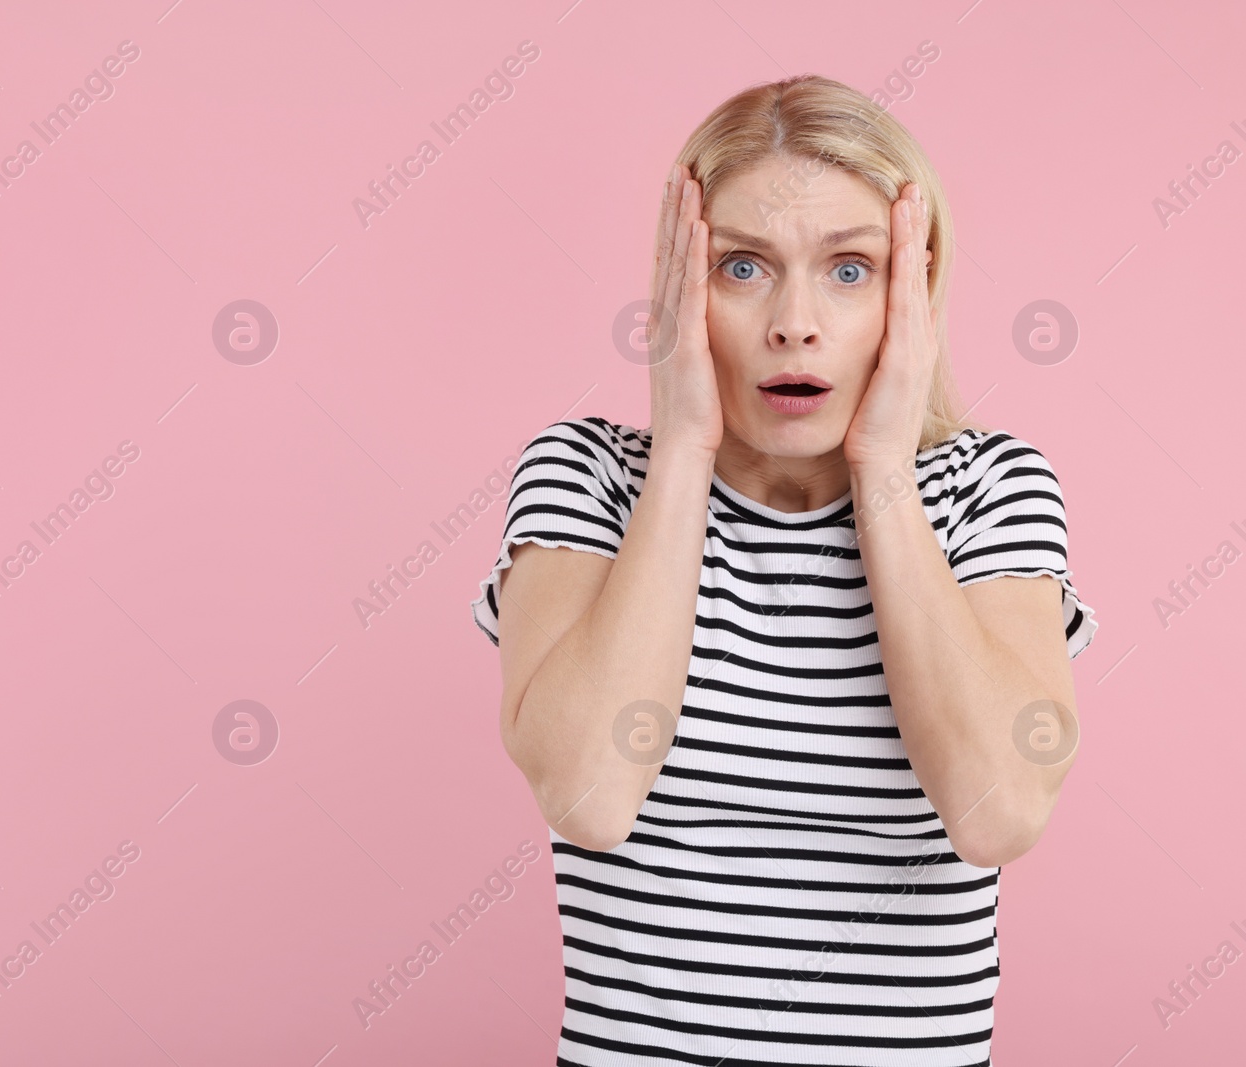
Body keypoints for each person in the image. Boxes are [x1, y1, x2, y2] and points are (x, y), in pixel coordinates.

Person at [469, 74, 1097, 1066]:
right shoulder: (586, 475)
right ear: (681, 284)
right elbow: (588, 794)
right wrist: (679, 450)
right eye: (743, 267)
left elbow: (999, 809)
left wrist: (884, 471)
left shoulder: (991, 486)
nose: (793, 322)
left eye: (849, 269)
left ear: (911, 291)